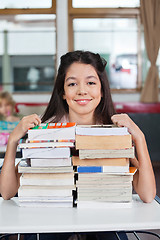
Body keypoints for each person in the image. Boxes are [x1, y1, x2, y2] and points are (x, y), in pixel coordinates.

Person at [0, 51, 156, 240]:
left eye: (91, 83)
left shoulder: (116, 131)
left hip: (103, 217)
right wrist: (13, 141)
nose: (82, 90)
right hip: (52, 217)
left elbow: (147, 195)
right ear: (63, 93)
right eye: (72, 83)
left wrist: (140, 138)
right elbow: (7, 193)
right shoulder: (45, 130)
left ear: (102, 90)